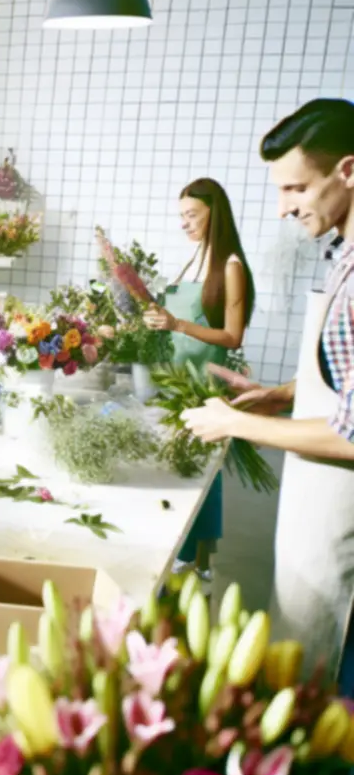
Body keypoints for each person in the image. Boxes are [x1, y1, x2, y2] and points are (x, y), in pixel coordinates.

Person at [183, 99, 354, 681]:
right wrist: (285, 393)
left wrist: (234, 423)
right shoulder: (341, 258)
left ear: (348, 171)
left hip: (342, 518)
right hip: (314, 502)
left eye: (296, 189)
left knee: (325, 684)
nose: (283, 209)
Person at [143, 179, 256, 578]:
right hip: (174, 379)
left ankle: (195, 555)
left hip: (204, 383)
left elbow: (232, 335)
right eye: (182, 216)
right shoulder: (191, 262)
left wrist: (179, 324)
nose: (185, 224)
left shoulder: (231, 267)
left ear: (215, 214)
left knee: (199, 472)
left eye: (192, 215)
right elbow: (174, 322)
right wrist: (157, 322)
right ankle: (193, 554)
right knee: (185, 467)